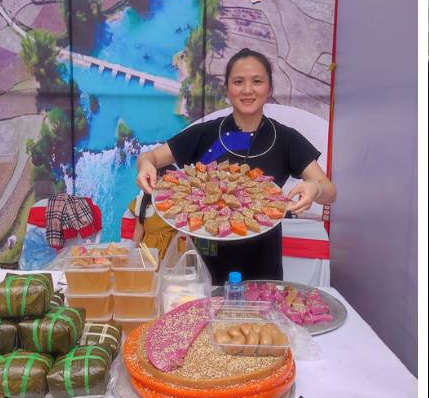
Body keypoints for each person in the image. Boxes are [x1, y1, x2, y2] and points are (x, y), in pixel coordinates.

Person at [135, 48, 336, 285]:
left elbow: (330, 192)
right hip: (202, 267)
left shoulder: (284, 139)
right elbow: (150, 157)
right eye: (238, 82)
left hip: (262, 268)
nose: (248, 90)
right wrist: (146, 164)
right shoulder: (205, 133)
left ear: (269, 89)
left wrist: (314, 187)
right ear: (228, 89)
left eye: (257, 81)